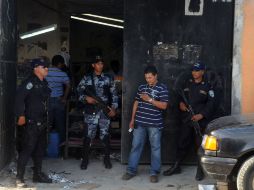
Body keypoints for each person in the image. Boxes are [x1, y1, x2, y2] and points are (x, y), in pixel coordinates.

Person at [163, 62, 217, 181]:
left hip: (200, 122)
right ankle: (176, 166)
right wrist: (180, 104)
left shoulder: (208, 86)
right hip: (187, 119)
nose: (194, 73)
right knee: (182, 142)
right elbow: (181, 98)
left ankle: (200, 169)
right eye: (193, 70)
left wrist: (201, 115)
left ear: (202, 72)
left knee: (200, 146)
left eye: (197, 70)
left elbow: (211, 104)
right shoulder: (187, 84)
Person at [122, 65, 169, 183]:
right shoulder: (142, 87)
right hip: (140, 123)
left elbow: (164, 106)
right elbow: (136, 103)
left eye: (150, 78)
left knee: (155, 148)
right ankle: (131, 170)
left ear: (155, 76)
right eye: (146, 78)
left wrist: (149, 99)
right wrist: (132, 120)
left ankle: (154, 173)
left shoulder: (162, 88)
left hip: (155, 124)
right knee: (136, 146)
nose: (148, 80)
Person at [15, 58, 52, 188]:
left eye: (47, 67)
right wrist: (20, 115)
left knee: (40, 150)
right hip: (31, 122)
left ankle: (37, 175)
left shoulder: (44, 83)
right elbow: (19, 98)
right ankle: (19, 178)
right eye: (44, 67)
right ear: (36, 68)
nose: (47, 69)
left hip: (42, 122)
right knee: (27, 149)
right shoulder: (29, 83)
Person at [77, 55, 118, 170]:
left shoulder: (108, 78)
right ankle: (85, 160)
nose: (100, 65)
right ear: (93, 65)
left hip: (104, 111)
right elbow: (78, 92)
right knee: (88, 136)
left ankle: (107, 160)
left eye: (102, 63)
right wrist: (86, 98)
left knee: (105, 136)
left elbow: (114, 95)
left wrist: (114, 108)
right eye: (98, 63)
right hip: (91, 111)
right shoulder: (86, 78)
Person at [46, 55, 71, 145]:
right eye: (62, 64)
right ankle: (62, 146)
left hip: (47, 101)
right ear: (59, 64)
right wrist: (64, 98)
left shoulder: (45, 72)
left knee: (47, 123)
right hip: (59, 101)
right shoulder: (62, 74)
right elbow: (68, 86)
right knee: (60, 123)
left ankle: (46, 144)